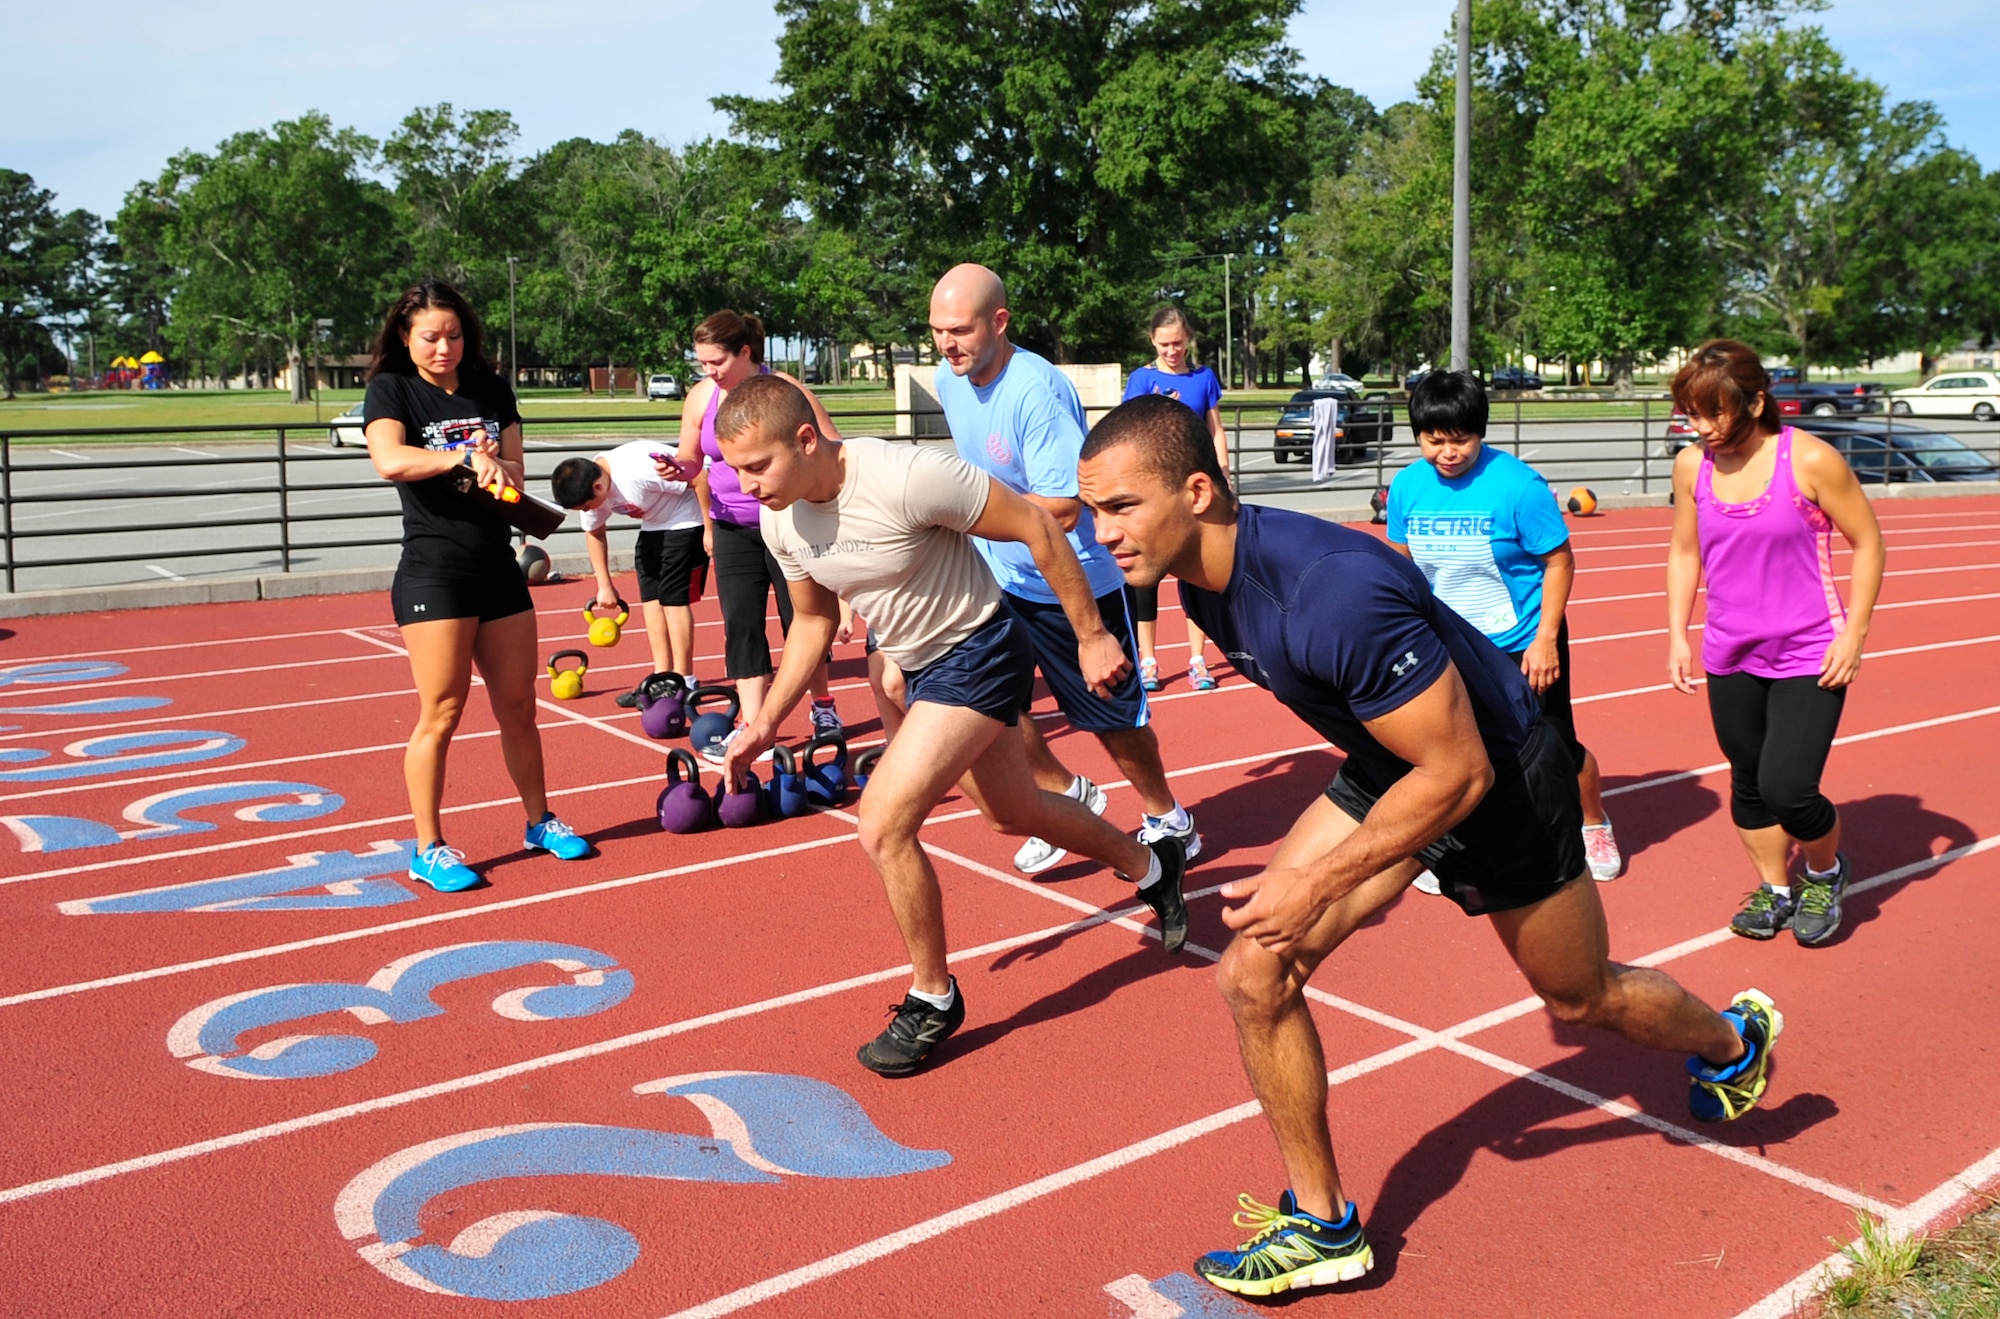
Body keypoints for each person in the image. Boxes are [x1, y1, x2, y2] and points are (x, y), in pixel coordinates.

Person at [1077, 394, 1784, 1299]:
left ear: (1200, 491)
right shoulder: (1199, 584)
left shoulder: (1331, 590)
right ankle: (1325, 1222)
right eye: (1094, 510)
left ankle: (1733, 1041)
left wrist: (1322, 880)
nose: (1102, 533)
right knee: (1254, 971)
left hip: (1495, 779)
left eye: (1121, 507)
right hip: (1399, 762)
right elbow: (1403, 753)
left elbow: (1459, 776)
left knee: (1580, 995)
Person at [713, 374, 1189, 1076]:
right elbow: (813, 621)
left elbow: (1034, 523)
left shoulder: (907, 475)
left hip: (983, 650)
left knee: (881, 821)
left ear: (806, 439)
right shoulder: (781, 518)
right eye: (734, 470)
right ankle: (1152, 865)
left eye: (757, 465)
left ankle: (932, 997)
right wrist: (761, 723)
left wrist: (1091, 634)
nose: (746, 485)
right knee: (1012, 811)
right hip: (923, 667)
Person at [928, 263, 1199, 874]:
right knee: (988, 702)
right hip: (1001, 574)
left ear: (999, 322)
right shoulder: (951, 381)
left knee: (1110, 718)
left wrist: (964, 513)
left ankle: (1167, 816)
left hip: (1070, 579)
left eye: (960, 330)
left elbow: (1063, 505)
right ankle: (1063, 794)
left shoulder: (1035, 391)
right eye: (938, 331)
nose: (948, 344)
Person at [361, 279, 590, 892]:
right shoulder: (392, 389)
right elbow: (390, 460)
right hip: (434, 570)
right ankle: (428, 846)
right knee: (442, 710)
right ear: (405, 338)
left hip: (497, 565)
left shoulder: (491, 387)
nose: (444, 347)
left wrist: (493, 457)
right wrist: (463, 456)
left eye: (454, 335)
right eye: (431, 337)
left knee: (518, 705)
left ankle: (540, 820)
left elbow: (515, 471)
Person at [1667, 340, 1884, 946]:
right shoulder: (1692, 466)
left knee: (1790, 787)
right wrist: (1677, 635)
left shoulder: (1810, 461)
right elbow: (1685, 550)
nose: (1702, 428)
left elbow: (1869, 542)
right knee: (1749, 781)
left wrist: (1855, 633)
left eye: (1714, 413)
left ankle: (1822, 871)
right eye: (1692, 414)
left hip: (1810, 650)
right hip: (1730, 650)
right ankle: (1776, 887)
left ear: (1757, 401)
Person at [1385, 370, 1621, 882]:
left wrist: (1545, 640)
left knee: (1554, 747)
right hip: (1447, 643)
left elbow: (1560, 562)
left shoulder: (1518, 487)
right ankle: (1448, 840)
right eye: (1434, 440)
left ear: (1481, 431)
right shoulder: (1406, 487)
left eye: (1461, 439)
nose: (1447, 452)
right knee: (1449, 747)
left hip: (1520, 641)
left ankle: (1593, 822)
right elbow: (1402, 566)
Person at [663, 311, 843, 755]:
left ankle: (822, 705)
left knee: (802, 619)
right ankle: (754, 721)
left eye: (717, 362)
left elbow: (833, 445)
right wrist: (677, 469)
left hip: (788, 520)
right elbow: (692, 458)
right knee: (740, 623)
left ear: (745, 353)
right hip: (731, 526)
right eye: (701, 363)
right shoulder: (702, 397)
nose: (709, 371)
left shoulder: (787, 391)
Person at [547, 441, 710, 705]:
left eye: (588, 507)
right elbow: (595, 532)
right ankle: (662, 677)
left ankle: (685, 680)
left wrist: (709, 530)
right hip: (654, 526)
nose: (589, 512)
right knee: (651, 600)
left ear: (598, 487)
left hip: (686, 519)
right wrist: (604, 585)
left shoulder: (639, 470)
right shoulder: (591, 486)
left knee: (673, 601)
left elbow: (700, 478)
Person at [1122, 306, 1229, 693]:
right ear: (1152, 340)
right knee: (1146, 577)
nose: (1172, 351)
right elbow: (1128, 434)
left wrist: (1223, 477)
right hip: (1152, 493)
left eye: (1179, 343)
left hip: (1193, 492)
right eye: (1165, 344)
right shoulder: (1141, 379)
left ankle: (1197, 660)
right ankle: (1148, 661)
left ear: (1189, 340)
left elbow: (1215, 430)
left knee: (1196, 574)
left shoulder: (1203, 378)